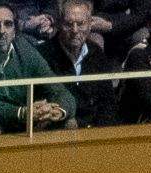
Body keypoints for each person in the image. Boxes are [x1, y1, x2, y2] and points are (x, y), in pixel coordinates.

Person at [0, 2, 76, 133]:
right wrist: (20, 113)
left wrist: (56, 111)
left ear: (14, 31)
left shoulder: (25, 49)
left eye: (8, 24)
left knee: (69, 122)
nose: (2, 31)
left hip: (27, 119)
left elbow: (61, 92)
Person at [40, 0, 120, 128]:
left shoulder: (96, 53)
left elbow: (107, 102)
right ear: (59, 24)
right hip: (59, 129)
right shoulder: (43, 55)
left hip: (94, 129)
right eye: (68, 24)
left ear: (90, 25)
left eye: (81, 24)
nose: (75, 30)